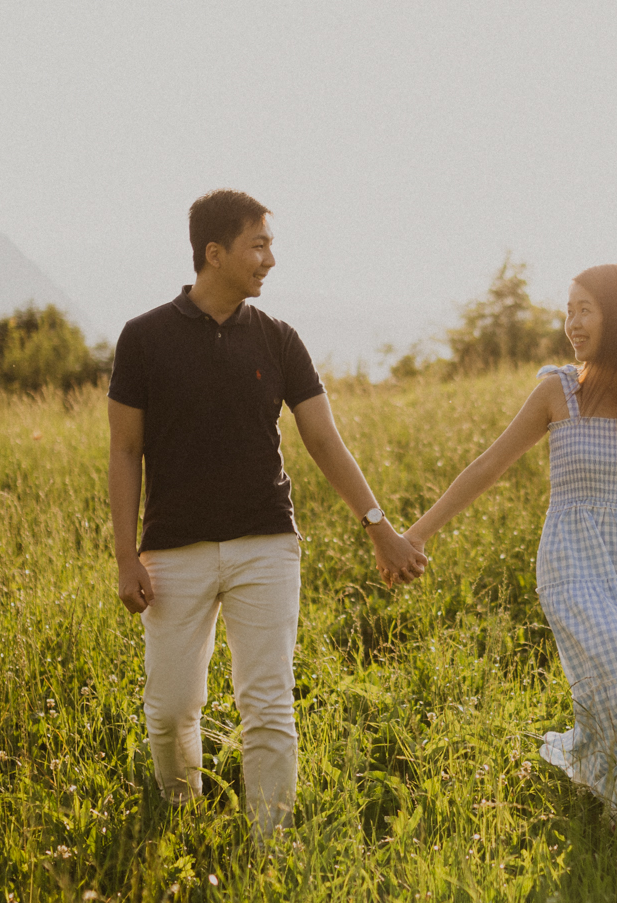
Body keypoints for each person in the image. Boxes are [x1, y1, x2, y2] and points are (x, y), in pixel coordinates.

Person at [107, 189, 427, 838]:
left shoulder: (280, 340)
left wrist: (380, 526)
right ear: (214, 253)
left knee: (270, 707)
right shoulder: (144, 339)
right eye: (258, 245)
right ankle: (182, 820)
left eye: (270, 245)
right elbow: (125, 449)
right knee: (170, 710)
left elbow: (324, 441)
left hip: (266, 546)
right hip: (174, 551)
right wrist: (123, 556)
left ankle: (270, 850)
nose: (271, 260)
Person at [403, 263, 617, 826]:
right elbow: (488, 466)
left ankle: (614, 809)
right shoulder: (558, 391)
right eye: (569, 310)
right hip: (573, 564)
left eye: (585, 309)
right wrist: (417, 533)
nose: (572, 324)